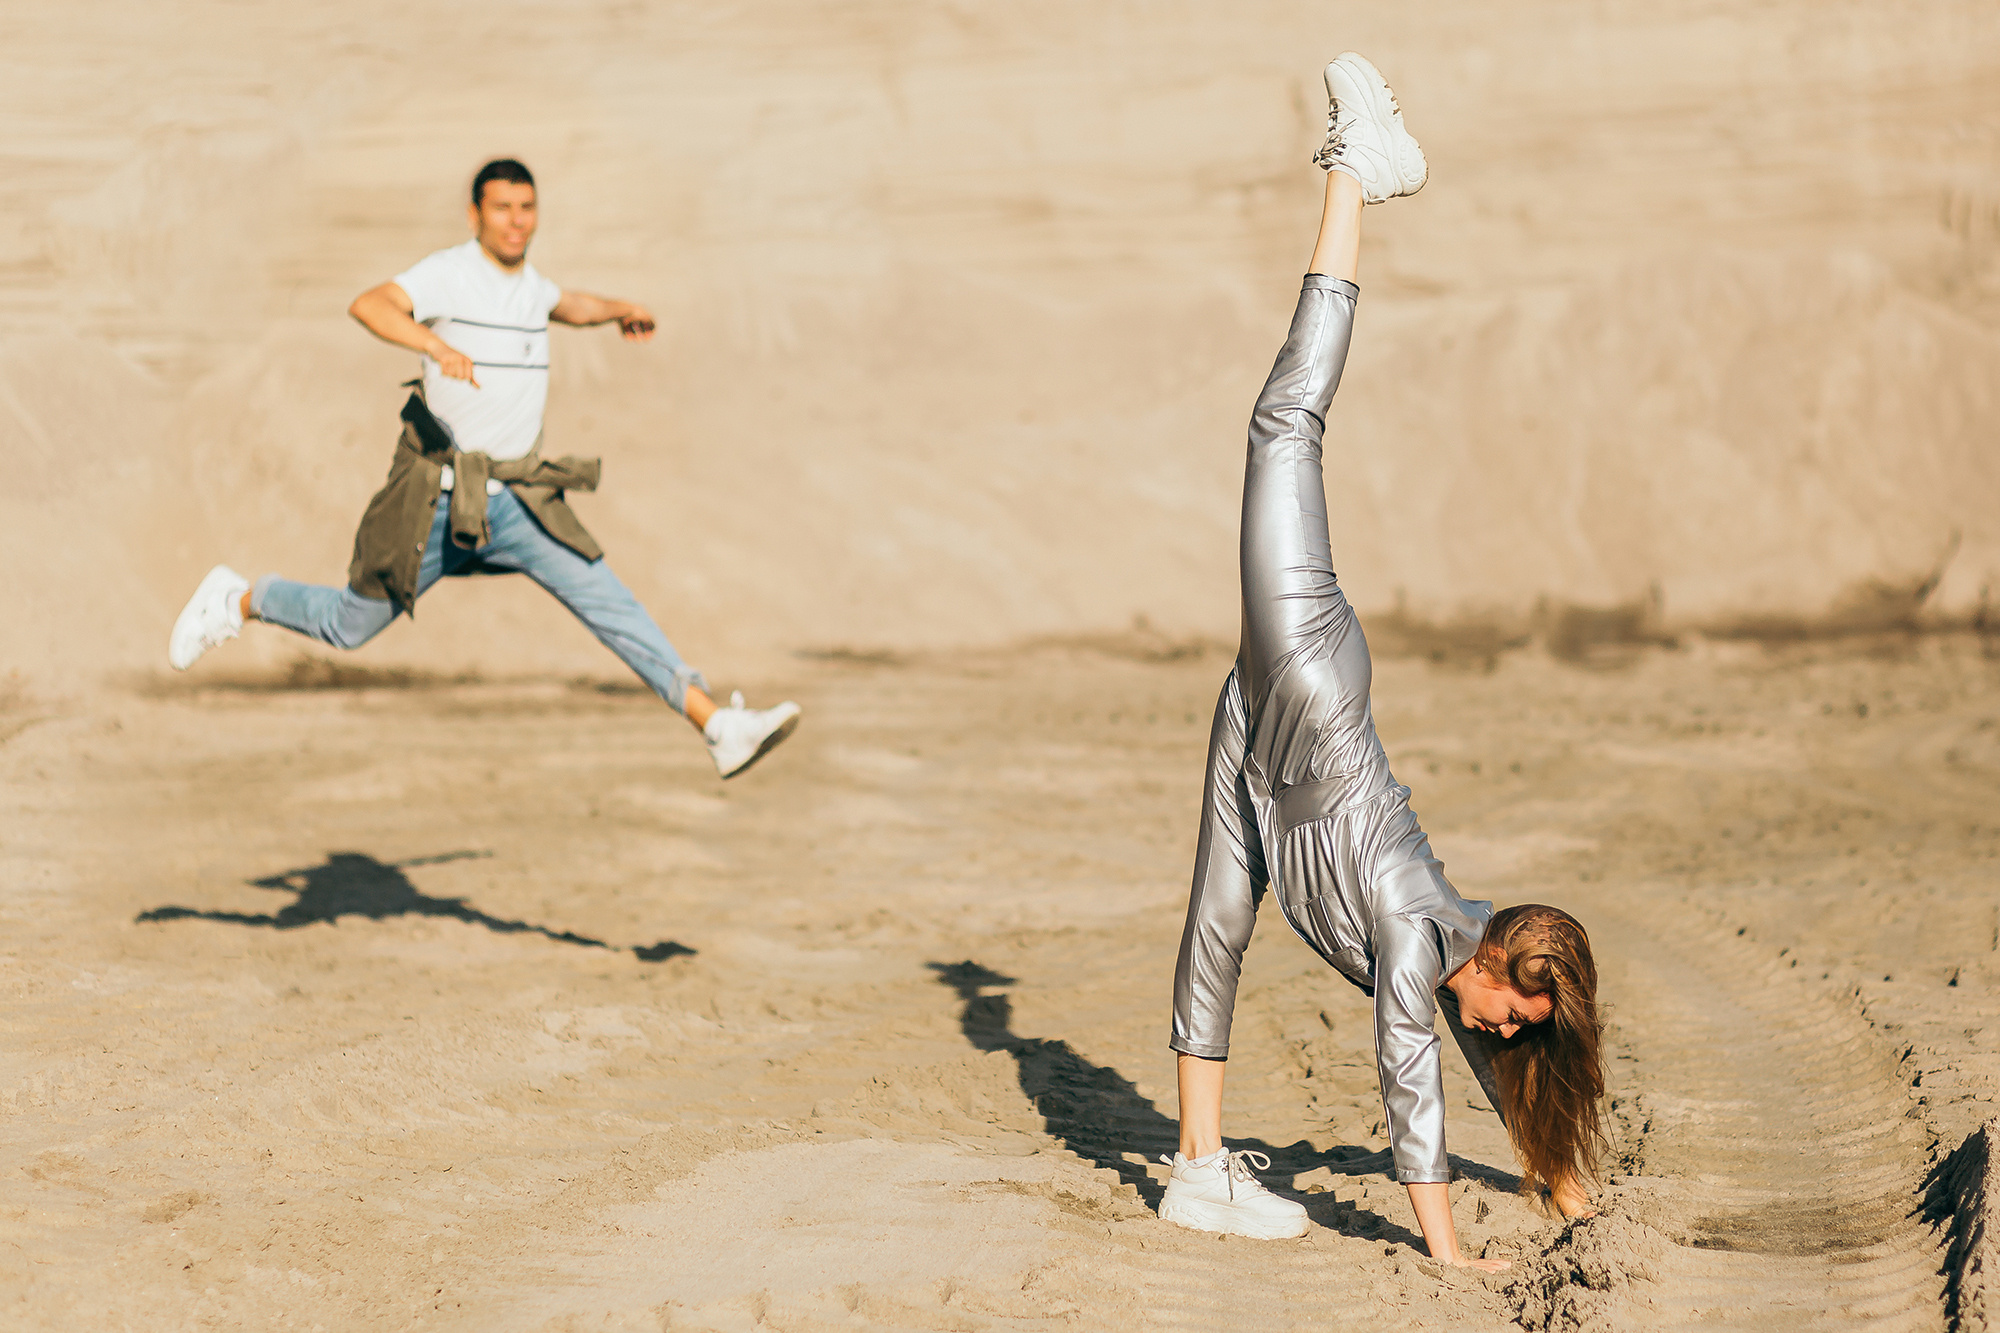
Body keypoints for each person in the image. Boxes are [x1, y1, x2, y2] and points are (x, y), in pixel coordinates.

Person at [1157, 55, 1607, 1271]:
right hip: (1306, 685)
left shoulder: (1461, 954)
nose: (1495, 1034)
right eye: (1509, 1016)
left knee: (1214, 929)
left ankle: (1197, 1171)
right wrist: (1446, 1249)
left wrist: (1559, 1185)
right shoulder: (1428, 939)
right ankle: (1359, 171)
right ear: (1493, 960)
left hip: (1261, 751)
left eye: (1510, 1028)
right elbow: (1410, 1081)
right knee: (1281, 428)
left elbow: (1454, 1060)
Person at [167, 159, 800, 779]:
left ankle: (718, 726)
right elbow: (370, 304)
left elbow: (568, 303)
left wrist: (617, 309)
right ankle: (239, 598)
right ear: (476, 214)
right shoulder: (450, 275)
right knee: (347, 625)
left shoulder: (531, 288)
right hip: (439, 503)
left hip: (519, 502)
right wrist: (434, 344)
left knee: (613, 605)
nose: (516, 222)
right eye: (502, 208)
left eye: (526, 208)